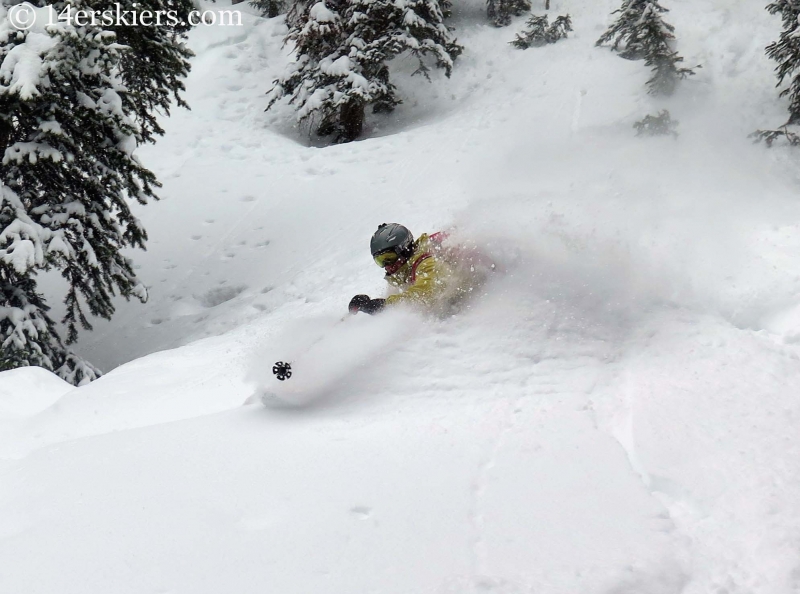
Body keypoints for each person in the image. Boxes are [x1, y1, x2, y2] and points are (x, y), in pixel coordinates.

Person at [348, 223, 492, 315]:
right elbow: (405, 298)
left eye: (389, 256)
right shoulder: (404, 269)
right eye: (380, 260)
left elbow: (425, 295)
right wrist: (368, 306)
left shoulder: (427, 262)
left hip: (486, 292)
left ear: (403, 249)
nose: (387, 265)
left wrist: (384, 305)